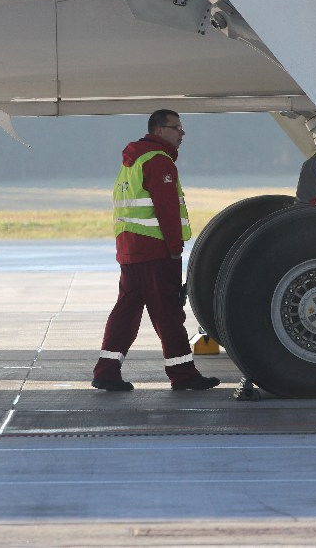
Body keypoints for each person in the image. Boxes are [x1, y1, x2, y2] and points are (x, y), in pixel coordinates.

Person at [92, 110, 221, 392]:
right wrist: (175, 249)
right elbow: (166, 209)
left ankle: (106, 369)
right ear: (159, 130)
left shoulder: (132, 161)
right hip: (154, 250)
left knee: (126, 311)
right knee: (168, 313)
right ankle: (183, 374)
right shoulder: (158, 161)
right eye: (176, 128)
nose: (181, 133)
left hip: (131, 250)